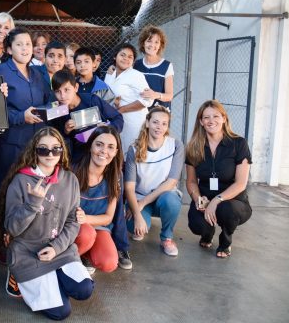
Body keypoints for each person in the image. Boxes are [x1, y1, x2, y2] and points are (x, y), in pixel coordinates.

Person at [0, 127, 93, 320]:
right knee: (61, 312)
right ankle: (18, 275)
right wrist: (32, 204)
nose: (50, 154)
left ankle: (53, 279)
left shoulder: (70, 179)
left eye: (56, 149)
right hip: (27, 252)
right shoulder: (21, 180)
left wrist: (56, 248)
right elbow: (12, 228)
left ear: (62, 151)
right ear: (34, 151)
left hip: (59, 250)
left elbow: (73, 221)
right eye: (43, 149)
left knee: (84, 290)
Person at [185, 100, 252, 258]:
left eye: (216, 116)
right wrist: (198, 199)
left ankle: (225, 242)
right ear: (201, 122)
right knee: (197, 225)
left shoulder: (239, 143)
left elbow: (241, 183)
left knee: (226, 210)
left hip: (233, 201)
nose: (211, 120)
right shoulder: (194, 146)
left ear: (224, 118)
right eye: (206, 117)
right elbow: (191, 181)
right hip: (205, 198)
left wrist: (216, 201)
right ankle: (207, 233)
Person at [0, 27, 51, 195]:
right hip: (10, 144)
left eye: (28, 44)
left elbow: (48, 101)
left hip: (36, 143)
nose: (25, 48)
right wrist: (21, 116)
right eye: (19, 44)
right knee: (8, 192)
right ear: (9, 49)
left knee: (31, 193)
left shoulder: (38, 74)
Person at [124, 106, 184, 257]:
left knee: (171, 201)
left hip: (163, 197)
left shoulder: (175, 145)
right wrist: (137, 214)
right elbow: (129, 187)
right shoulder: (134, 149)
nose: (159, 127)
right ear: (147, 123)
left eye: (164, 124)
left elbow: (171, 182)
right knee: (135, 229)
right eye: (155, 122)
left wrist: (143, 203)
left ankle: (166, 238)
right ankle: (143, 219)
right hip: (139, 197)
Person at [73, 126, 125, 274]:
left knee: (109, 263)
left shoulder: (116, 176)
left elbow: (108, 217)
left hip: (97, 226)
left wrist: (86, 219)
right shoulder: (73, 171)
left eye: (110, 147)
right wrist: (81, 221)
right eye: (99, 144)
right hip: (73, 227)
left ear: (116, 152)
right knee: (86, 234)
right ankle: (67, 261)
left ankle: (84, 254)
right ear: (90, 146)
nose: (104, 151)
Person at [50, 69, 123, 162]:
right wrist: (66, 131)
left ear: (76, 87)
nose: (62, 96)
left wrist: (107, 129)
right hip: (79, 158)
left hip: (103, 155)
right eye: (58, 91)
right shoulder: (57, 111)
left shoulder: (92, 100)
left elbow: (118, 118)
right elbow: (58, 141)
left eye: (66, 90)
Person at [104, 43, 152, 156]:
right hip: (117, 122)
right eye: (122, 55)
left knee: (133, 155)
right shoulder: (110, 74)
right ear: (115, 56)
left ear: (133, 61)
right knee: (118, 154)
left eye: (130, 57)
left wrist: (122, 109)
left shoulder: (136, 75)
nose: (126, 59)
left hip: (134, 123)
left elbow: (147, 100)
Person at [134, 25, 173, 109]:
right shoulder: (136, 65)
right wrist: (113, 69)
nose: (152, 45)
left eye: (156, 42)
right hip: (140, 111)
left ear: (160, 46)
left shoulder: (166, 65)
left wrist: (155, 95)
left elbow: (169, 96)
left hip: (159, 112)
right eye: (149, 41)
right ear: (143, 43)